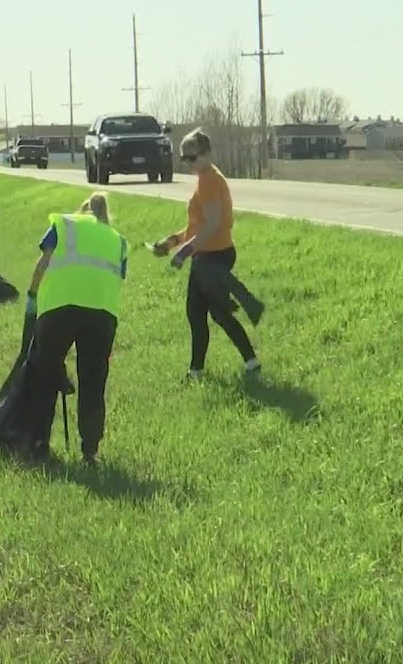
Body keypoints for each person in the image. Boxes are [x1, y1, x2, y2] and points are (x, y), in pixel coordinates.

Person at [23, 192, 127, 465]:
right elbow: (116, 277)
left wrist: (32, 294)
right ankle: (90, 450)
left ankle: (38, 443)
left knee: (44, 373)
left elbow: (44, 261)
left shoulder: (65, 224)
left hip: (59, 309)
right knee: (93, 381)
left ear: (82, 212)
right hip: (102, 314)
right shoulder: (118, 241)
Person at [152, 127, 261, 380]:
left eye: (193, 157)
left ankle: (249, 362)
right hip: (207, 255)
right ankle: (198, 370)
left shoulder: (209, 179)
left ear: (207, 153)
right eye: (185, 158)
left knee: (216, 313)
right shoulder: (206, 178)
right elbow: (197, 226)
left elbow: (213, 224)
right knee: (197, 313)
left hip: (214, 255)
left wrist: (185, 251)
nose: (190, 163)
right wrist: (172, 242)